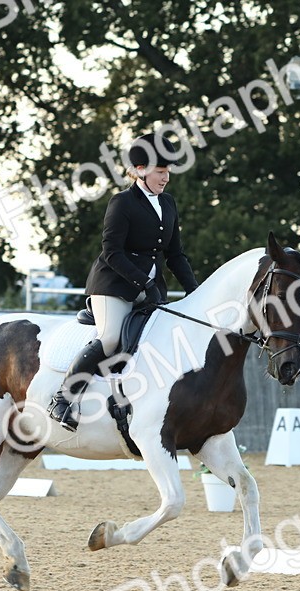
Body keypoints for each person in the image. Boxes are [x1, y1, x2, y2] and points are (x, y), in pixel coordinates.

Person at [48, 133, 201, 431]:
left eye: (168, 170)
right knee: (110, 339)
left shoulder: (168, 204)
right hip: (114, 286)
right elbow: (112, 252)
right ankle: (64, 398)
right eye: (160, 170)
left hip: (151, 290)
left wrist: (196, 290)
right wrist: (142, 282)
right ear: (140, 170)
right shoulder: (122, 203)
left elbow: (175, 255)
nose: (166, 177)